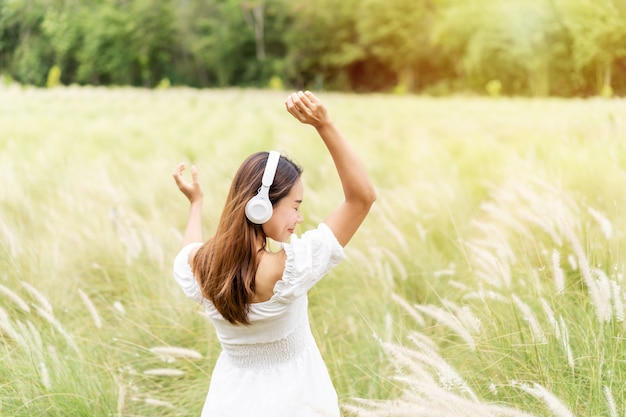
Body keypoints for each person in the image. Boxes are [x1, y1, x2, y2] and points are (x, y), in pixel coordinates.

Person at [172, 90, 376, 416]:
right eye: (295, 207)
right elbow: (362, 199)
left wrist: (195, 205)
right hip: (296, 402)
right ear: (260, 206)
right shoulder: (289, 269)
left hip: (228, 403)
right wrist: (325, 124)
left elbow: (189, 250)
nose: (300, 217)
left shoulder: (201, 266)